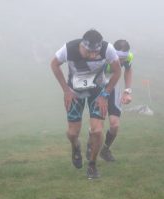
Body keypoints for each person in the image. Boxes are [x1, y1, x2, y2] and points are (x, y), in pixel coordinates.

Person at [50, 29, 121, 179]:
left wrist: (106, 94)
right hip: (76, 93)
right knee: (72, 133)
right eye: (89, 52)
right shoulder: (68, 49)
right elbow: (54, 64)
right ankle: (75, 146)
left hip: (97, 92)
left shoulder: (107, 49)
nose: (93, 56)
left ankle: (92, 165)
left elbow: (117, 71)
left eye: (96, 52)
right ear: (83, 45)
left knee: (96, 131)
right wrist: (66, 90)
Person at [89, 39, 133, 162]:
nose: (121, 61)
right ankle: (90, 144)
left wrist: (127, 91)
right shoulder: (103, 58)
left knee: (115, 125)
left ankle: (105, 149)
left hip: (113, 86)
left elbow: (128, 70)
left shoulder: (128, 57)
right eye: (119, 58)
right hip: (98, 87)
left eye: (124, 58)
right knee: (98, 126)